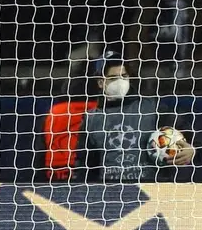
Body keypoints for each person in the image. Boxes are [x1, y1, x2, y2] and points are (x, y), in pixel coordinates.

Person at [80, 52, 195, 182]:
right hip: (109, 194)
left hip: (152, 191)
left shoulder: (152, 108)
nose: (120, 82)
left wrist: (193, 151)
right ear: (101, 83)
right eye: (113, 78)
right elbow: (86, 166)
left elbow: (194, 140)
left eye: (124, 76)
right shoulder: (92, 118)